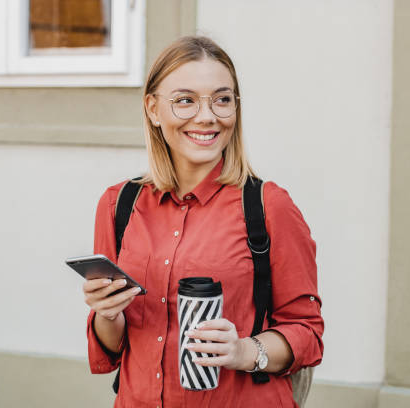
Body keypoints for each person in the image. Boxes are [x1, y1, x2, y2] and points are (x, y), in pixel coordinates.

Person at [82, 36, 324, 407]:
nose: (207, 115)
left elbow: (307, 333)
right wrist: (107, 312)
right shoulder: (119, 204)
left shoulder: (268, 206)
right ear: (153, 109)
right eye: (185, 100)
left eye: (222, 99)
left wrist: (244, 350)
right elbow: (113, 346)